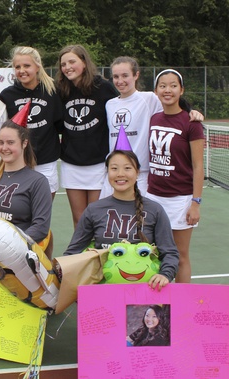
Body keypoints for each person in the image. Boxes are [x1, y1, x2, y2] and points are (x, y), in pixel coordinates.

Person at [63, 150, 179, 291]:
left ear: (138, 173)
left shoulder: (155, 210)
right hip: (103, 290)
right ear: (107, 173)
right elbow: (73, 252)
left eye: (127, 168)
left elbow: (170, 252)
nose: (120, 174)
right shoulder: (94, 210)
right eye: (114, 168)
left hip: (145, 290)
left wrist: (165, 275)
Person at [101, 57, 203, 198]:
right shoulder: (109, 104)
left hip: (140, 177)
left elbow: (172, 102)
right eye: (116, 77)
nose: (120, 81)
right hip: (113, 176)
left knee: (140, 219)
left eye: (125, 76)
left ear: (136, 75)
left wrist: (192, 111)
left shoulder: (149, 99)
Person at [146, 69, 204, 284]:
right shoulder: (154, 118)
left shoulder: (191, 123)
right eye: (162, 85)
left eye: (172, 85)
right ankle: (156, 304)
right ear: (156, 91)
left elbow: (198, 167)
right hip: (154, 197)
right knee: (154, 253)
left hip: (180, 199)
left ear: (181, 90)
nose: (167, 90)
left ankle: (182, 306)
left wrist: (195, 203)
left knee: (179, 255)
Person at [56, 45, 118, 227]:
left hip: (98, 163)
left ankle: (98, 255)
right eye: (63, 64)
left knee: (97, 217)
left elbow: (128, 101)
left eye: (72, 62)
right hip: (72, 164)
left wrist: (187, 109)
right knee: (80, 219)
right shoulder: (60, 90)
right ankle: (82, 255)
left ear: (84, 62)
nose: (67, 67)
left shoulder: (103, 88)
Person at [0, 120, 53, 257]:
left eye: (10, 142)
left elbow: (41, 227)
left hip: (15, 255)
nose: (4, 148)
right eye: (1, 142)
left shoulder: (37, 182)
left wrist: (9, 245)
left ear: (24, 143)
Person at [0, 46, 63, 198]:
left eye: (27, 65)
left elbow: (60, 123)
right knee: (19, 210)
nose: (22, 70)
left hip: (46, 162)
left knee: (43, 212)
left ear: (37, 66)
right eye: (17, 67)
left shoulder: (53, 91)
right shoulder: (7, 95)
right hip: (18, 162)